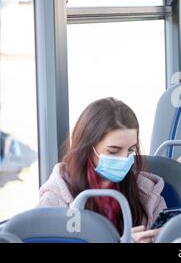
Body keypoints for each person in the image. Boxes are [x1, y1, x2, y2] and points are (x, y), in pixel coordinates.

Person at [37, 97, 167, 243]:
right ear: (88, 147)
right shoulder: (55, 200)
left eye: (130, 151)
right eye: (113, 151)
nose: (125, 159)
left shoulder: (148, 195)